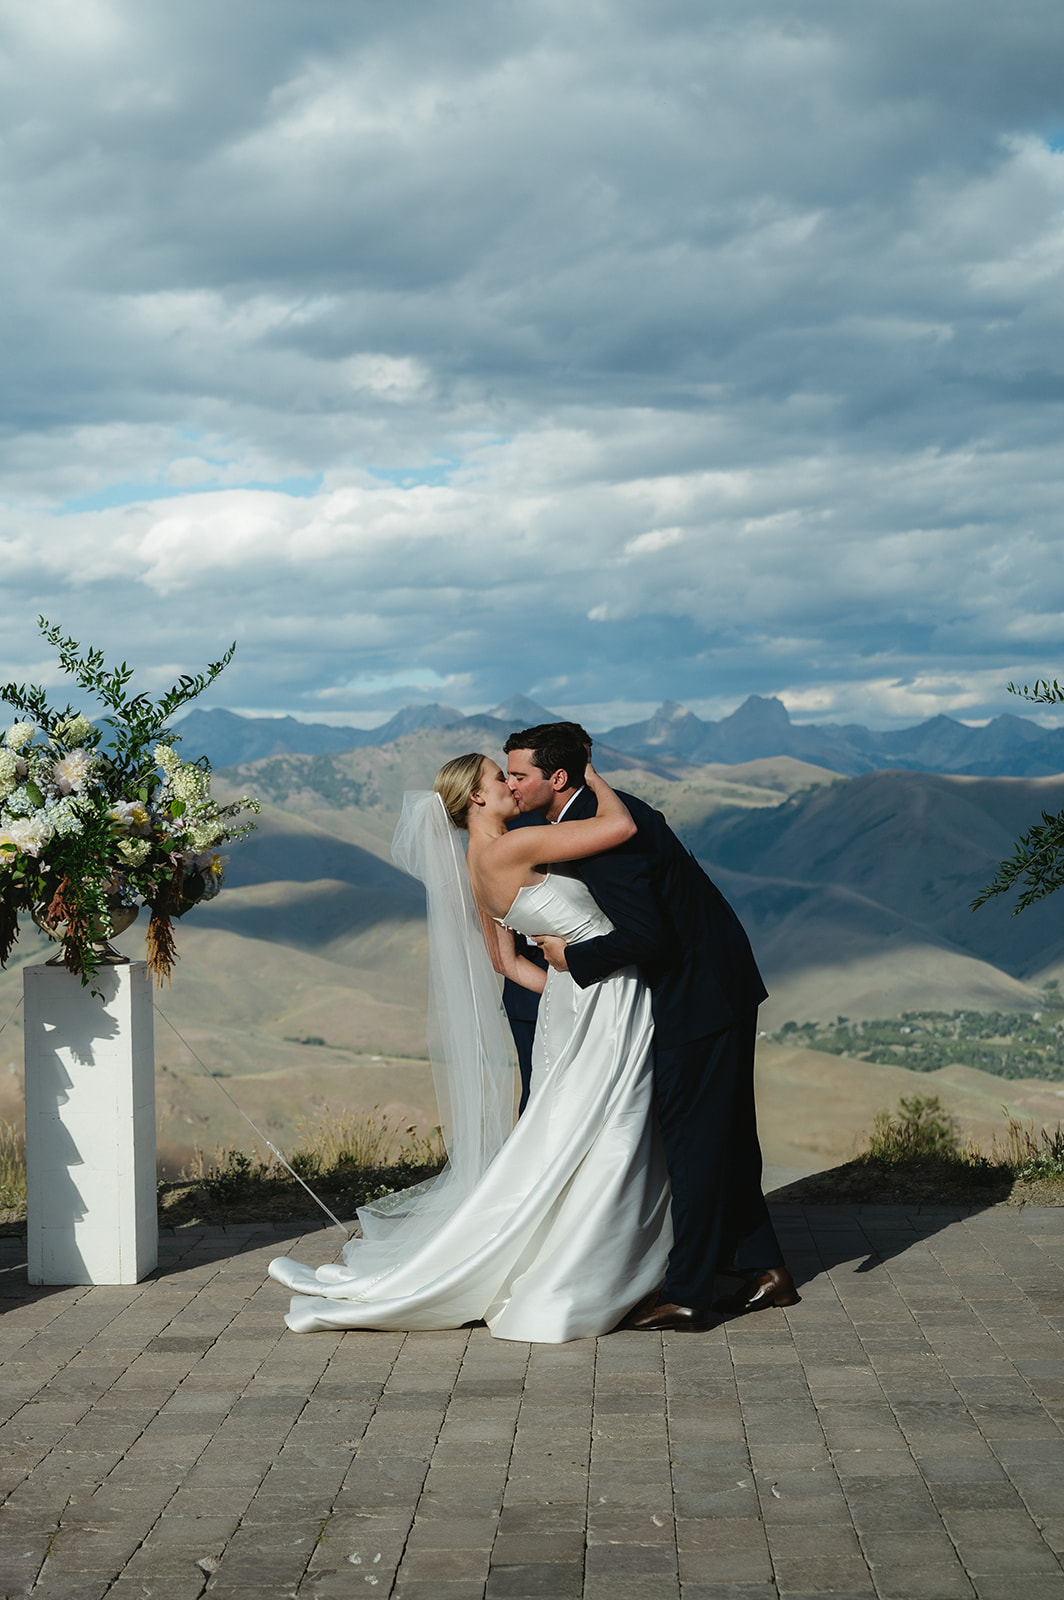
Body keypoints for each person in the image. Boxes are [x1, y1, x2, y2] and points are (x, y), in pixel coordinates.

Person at [268, 754, 671, 1342]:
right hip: (598, 1000)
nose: (510, 784)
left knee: (575, 1134)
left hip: (583, 1002)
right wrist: (584, 771)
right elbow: (621, 828)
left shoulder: (474, 860)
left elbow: (505, 962)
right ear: (476, 799)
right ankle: (595, 1271)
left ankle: (597, 1256)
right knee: (608, 1131)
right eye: (497, 777)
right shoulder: (515, 846)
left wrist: (570, 988)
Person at [504, 723, 799, 1331]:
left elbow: (647, 936)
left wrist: (570, 959)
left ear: (556, 780)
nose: (509, 785)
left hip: (698, 998)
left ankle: (688, 1292)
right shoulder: (593, 814)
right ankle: (764, 1269)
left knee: (691, 1142)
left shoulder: (600, 836)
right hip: (717, 986)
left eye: (519, 775)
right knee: (724, 1134)